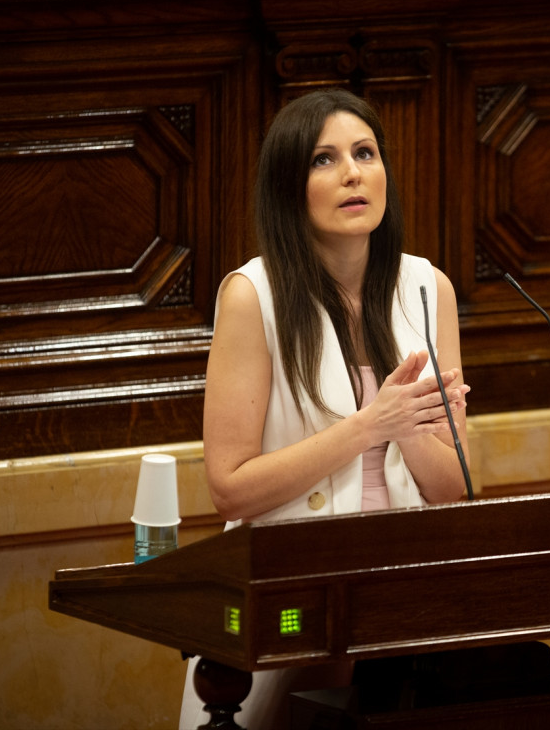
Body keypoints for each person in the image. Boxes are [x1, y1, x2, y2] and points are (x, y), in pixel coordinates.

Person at [178, 89, 470, 729]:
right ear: (290, 186)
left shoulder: (429, 289)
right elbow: (229, 489)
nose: (352, 173)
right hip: (291, 596)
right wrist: (373, 425)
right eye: (324, 160)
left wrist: (414, 430)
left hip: (403, 605)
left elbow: (454, 491)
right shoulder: (252, 296)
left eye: (365, 153)